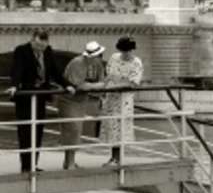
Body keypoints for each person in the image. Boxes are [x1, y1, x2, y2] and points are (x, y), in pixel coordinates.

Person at [7, 29, 68, 174]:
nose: (41, 49)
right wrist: (14, 85)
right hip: (26, 97)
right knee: (26, 131)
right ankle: (26, 166)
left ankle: (34, 164)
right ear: (33, 40)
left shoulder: (48, 51)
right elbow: (17, 70)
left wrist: (68, 85)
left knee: (38, 130)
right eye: (39, 46)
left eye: (44, 46)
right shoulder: (21, 51)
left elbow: (55, 72)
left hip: (40, 96)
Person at [58, 41, 107, 169]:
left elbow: (102, 82)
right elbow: (79, 85)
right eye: (98, 55)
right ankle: (69, 163)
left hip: (81, 100)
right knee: (72, 128)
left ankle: (69, 161)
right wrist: (94, 86)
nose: (100, 58)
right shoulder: (77, 63)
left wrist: (90, 85)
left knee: (77, 130)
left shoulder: (99, 65)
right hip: (68, 100)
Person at [100, 36, 144, 166]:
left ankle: (117, 159)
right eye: (125, 51)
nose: (127, 53)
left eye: (130, 51)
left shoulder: (136, 62)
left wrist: (115, 84)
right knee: (111, 129)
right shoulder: (114, 57)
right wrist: (104, 89)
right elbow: (108, 76)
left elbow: (132, 83)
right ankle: (113, 157)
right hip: (111, 99)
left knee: (120, 129)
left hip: (124, 100)